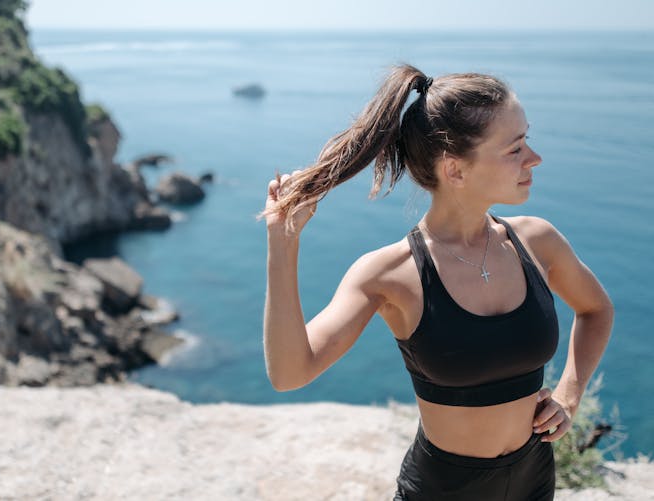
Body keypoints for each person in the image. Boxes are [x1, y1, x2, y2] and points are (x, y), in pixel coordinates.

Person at [260, 64, 614, 500]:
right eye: (515, 148)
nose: (534, 158)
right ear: (455, 171)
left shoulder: (538, 241)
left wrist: (570, 397)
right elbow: (290, 372)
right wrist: (284, 244)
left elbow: (596, 310)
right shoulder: (390, 274)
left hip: (534, 480)